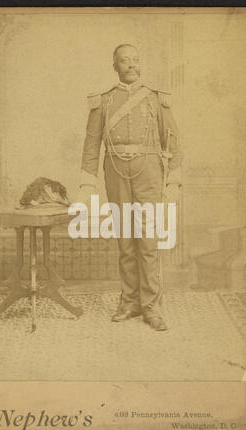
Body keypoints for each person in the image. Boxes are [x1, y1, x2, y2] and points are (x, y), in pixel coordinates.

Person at [79, 44, 182, 331]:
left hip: (148, 171)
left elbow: (172, 141)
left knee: (148, 240)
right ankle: (129, 301)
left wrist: (173, 179)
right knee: (125, 239)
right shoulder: (104, 100)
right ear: (115, 66)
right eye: (125, 61)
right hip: (114, 172)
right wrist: (87, 181)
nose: (131, 65)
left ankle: (151, 307)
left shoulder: (155, 99)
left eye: (135, 60)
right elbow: (91, 142)